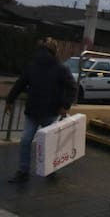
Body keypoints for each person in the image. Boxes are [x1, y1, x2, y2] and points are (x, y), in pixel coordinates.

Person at [5, 38, 77, 183]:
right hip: (50, 111)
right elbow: (72, 87)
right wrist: (65, 105)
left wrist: (9, 100)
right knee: (49, 143)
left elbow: (20, 83)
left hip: (33, 111)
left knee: (25, 141)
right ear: (54, 51)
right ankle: (50, 170)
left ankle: (23, 171)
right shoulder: (60, 68)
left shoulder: (33, 65)